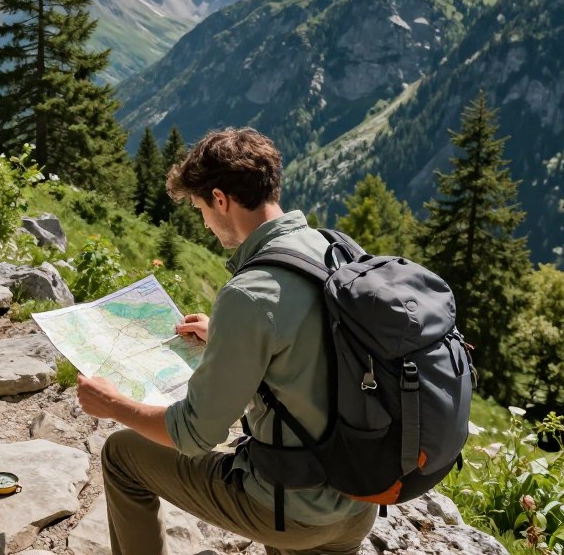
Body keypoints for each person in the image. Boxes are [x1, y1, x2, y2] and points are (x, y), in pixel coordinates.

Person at [76, 127, 377, 555]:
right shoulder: (337, 248)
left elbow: (194, 434)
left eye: (200, 208)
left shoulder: (249, 293)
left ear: (221, 200)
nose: (203, 223)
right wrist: (224, 335)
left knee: (122, 455)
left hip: (291, 512)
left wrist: (114, 405)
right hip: (363, 497)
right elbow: (316, 343)